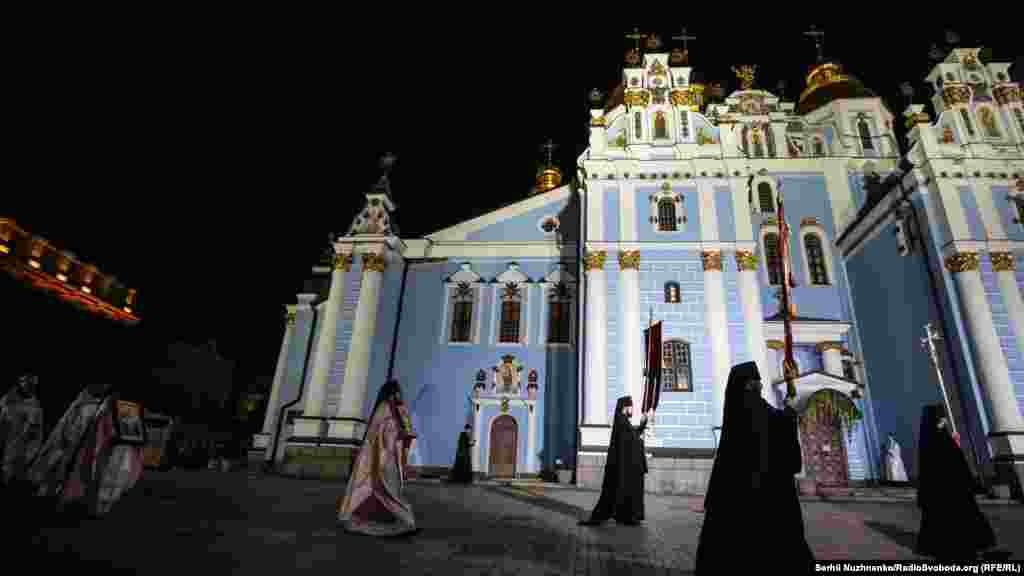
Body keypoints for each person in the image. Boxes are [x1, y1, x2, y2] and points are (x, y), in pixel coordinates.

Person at [696, 361, 813, 574]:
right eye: (757, 380)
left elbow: (769, 424)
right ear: (750, 384)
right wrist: (790, 412)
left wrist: (785, 413)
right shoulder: (751, 407)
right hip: (762, 492)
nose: (760, 384)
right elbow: (772, 431)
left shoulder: (741, 407)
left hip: (741, 491)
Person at [916, 404, 1000, 560]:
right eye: (941, 419)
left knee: (962, 516)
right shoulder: (932, 439)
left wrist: (955, 444)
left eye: (944, 418)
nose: (944, 421)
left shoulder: (939, 436)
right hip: (945, 490)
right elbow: (944, 463)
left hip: (955, 487)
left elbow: (955, 461)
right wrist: (954, 446)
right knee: (948, 519)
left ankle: (969, 543)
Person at [337, 380, 417, 536]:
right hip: (382, 458)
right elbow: (381, 433)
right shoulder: (384, 409)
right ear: (392, 393)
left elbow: (400, 430)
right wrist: (400, 432)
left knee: (392, 489)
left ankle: (398, 519)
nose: (400, 395)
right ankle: (406, 520)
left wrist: (405, 432)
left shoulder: (395, 409)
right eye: (398, 392)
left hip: (389, 456)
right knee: (389, 490)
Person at [27, 380, 111, 516]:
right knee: (56, 474)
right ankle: (45, 502)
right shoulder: (85, 404)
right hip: (68, 447)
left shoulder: (93, 405)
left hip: (75, 448)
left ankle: (49, 501)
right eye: (101, 384)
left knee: (61, 477)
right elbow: (70, 429)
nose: (104, 387)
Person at [579, 395, 648, 526]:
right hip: (624, 466)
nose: (632, 409)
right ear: (625, 407)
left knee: (625, 491)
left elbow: (632, 436)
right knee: (620, 491)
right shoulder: (621, 422)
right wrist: (639, 441)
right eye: (630, 407)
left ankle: (625, 516)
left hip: (628, 465)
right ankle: (626, 516)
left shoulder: (623, 421)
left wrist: (643, 424)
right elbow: (631, 440)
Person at [0, 373, 44, 489]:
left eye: (32, 384)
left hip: (22, 456)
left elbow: (36, 434)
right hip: (9, 451)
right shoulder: (7, 401)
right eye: (25, 382)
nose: (28, 386)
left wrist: (31, 454)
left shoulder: (36, 408)